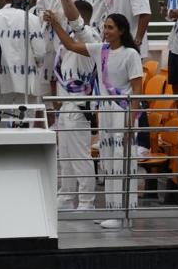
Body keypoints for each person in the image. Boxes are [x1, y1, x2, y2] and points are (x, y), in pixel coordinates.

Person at [50, 11, 144, 228]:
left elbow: (138, 89)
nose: (106, 31)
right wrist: (55, 24)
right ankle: (113, 211)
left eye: (111, 27)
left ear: (121, 30)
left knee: (122, 162)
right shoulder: (100, 50)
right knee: (109, 162)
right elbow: (71, 45)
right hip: (106, 113)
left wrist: (131, 118)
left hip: (123, 112)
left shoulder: (131, 54)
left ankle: (124, 214)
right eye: (105, 27)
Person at [44, 0, 100, 211]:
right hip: (65, 106)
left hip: (79, 107)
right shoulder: (66, 46)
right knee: (65, 157)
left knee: (79, 156)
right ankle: (66, 197)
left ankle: (87, 202)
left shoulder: (90, 38)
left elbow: (76, 23)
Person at [0, 0, 44, 108]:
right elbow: (40, 52)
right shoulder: (32, 19)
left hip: (0, 81)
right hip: (27, 80)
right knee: (26, 123)